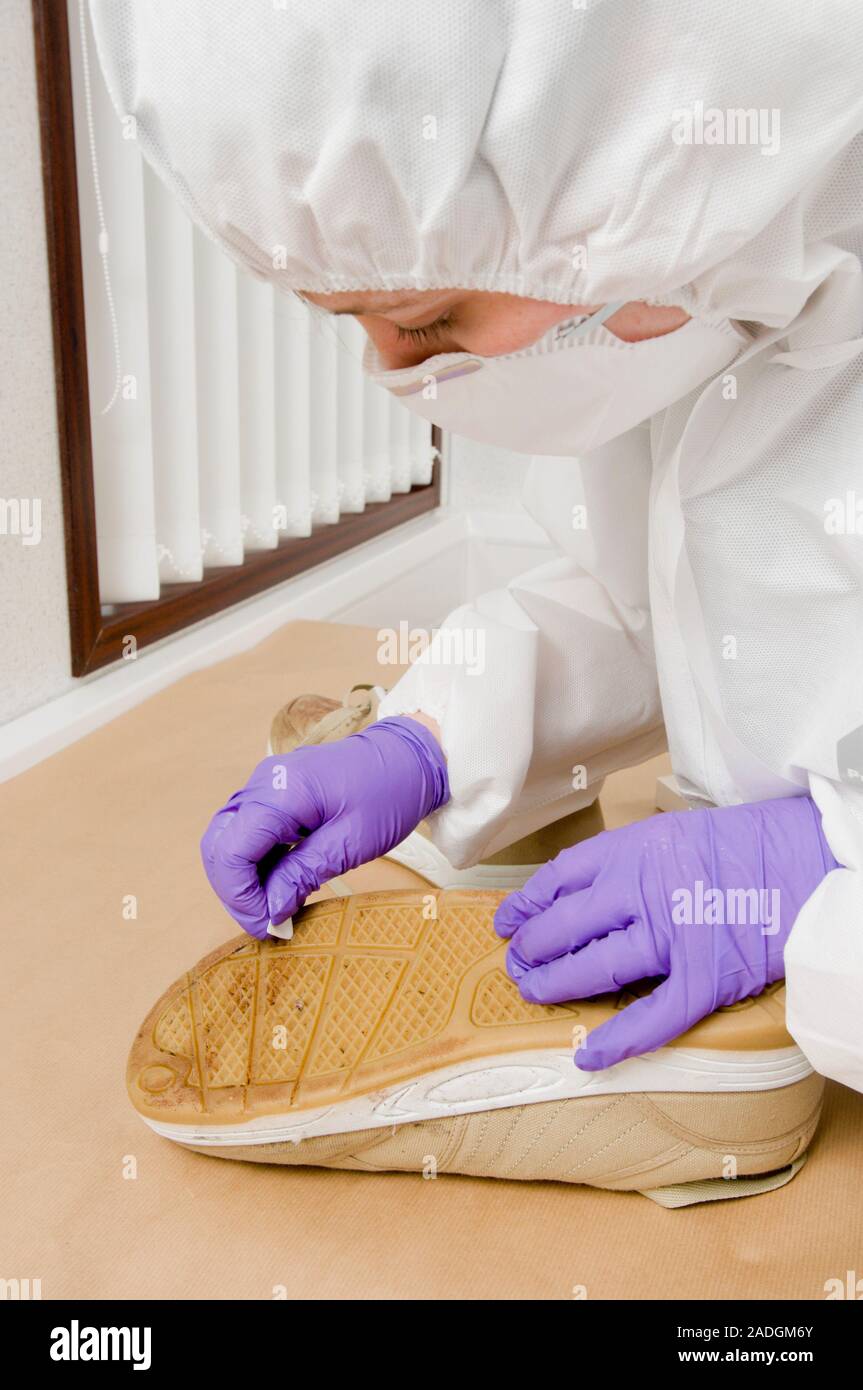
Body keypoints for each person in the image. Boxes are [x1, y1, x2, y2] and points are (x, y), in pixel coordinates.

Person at [90, 0, 863, 1091]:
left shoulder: (684, 251)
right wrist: (433, 739)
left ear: (635, 153)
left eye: (425, 318)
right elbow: (649, 601)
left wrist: (825, 869)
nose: (401, 376)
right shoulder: (722, 284)